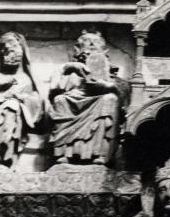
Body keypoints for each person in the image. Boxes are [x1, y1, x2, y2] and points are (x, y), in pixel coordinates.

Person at [49, 30, 129, 165]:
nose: (91, 45)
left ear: (104, 50)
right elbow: (54, 91)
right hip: (74, 102)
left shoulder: (114, 76)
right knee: (60, 100)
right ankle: (65, 153)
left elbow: (125, 96)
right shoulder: (70, 72)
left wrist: (109, 85)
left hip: (100, 101)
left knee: (110, 99)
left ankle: (100, 153)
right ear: (77, 50)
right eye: (86, 43)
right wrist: (69, 68)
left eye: (95, 43)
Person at [0, 32, 45, 167]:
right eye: (5, 50)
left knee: (12, 106)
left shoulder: (27, 79)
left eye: (14, 48)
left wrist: (20, 98)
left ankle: (3, 155)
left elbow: (37, 106)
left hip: (12, 117)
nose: (9, 53)